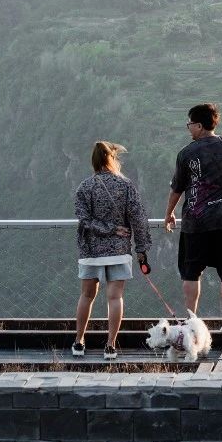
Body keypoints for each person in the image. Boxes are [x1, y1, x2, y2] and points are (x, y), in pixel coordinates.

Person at [164, 104, 222, 334]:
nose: (188, 128)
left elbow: (177, 189)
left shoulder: (187, 153)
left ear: (199, 126)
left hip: (195, 222)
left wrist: (169, 213)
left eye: (190, 123)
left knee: (191, 272)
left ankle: (191, 322)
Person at [73, 141, 151, 360]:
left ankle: (79, 341)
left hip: (91, 251)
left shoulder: (84, 187)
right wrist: (141, 249)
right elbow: (138, 218)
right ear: (112, 159)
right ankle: (110, 346)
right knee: (114, 298)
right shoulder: (125, 185)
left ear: (94, 161)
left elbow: (84, 219)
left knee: (86, 296)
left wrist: (105, 229)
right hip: (119, 249)